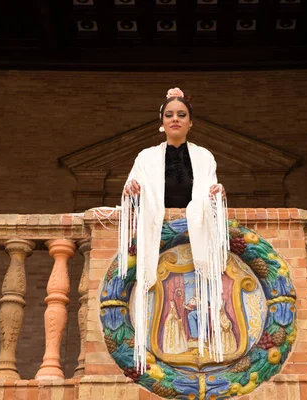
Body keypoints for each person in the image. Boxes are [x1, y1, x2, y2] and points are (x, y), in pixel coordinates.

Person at [118, 88, 229, 372]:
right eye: (170, 115)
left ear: (191, 122)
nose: (175, 119)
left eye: (182, 115)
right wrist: (132, 191)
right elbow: (134, 189)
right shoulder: (145, 157)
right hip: (160, 226)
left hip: (193, 229)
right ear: (162, 121)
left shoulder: (204, 156)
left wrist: (216, 193)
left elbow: (209, 189)